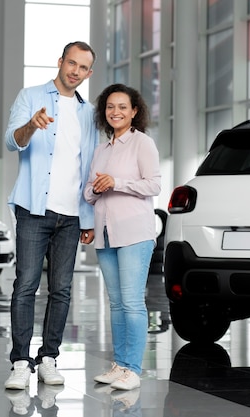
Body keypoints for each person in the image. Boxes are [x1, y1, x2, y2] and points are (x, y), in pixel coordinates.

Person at [3, 41, 99, 390]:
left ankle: (49, 358)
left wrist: (89, 218)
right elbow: (12, 141)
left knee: (61, 290)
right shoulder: (30, 96)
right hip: (33, 210)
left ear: (89, 73)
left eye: (83, 67)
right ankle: (19, 362)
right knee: (25, 286)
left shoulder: (89, 114)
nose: (75, 71)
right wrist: (31, 125)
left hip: (72, 216)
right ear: (60, 62)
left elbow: (88, 165)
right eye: (71, 63)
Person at [84, 84, 161, 391]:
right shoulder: (100, 150)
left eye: (122, 107)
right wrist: (97, 188)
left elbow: (153, 185)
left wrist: (117, 182)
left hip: (134, 233)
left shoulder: (143, 144)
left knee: (131, 303)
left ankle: (133, 369)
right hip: (105, 234)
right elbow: (88, 193)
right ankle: (120, 365)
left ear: (134, 112)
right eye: (110, 107)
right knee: (116, 304)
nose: (115, 112)